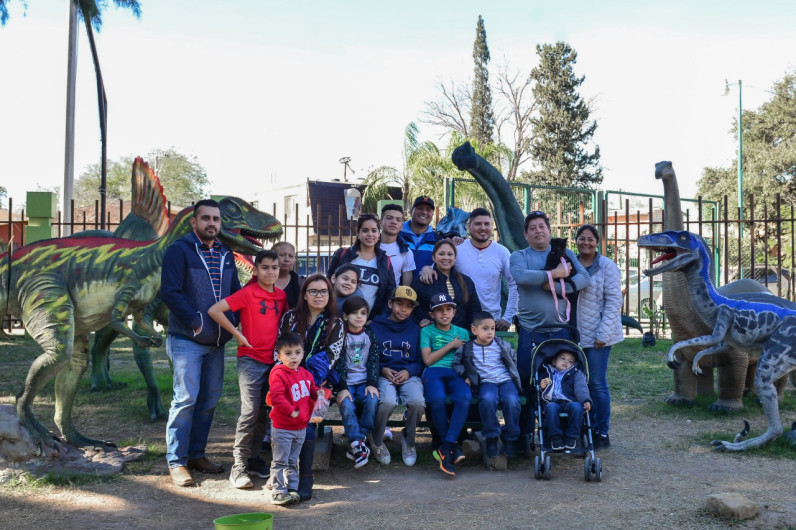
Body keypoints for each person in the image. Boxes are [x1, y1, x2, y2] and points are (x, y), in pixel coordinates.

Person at [160, 199, 242, 487]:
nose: (212, 224)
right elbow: (170, 292)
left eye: (216, 219)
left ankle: (196, 454)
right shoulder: (179, 250)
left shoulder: (226, 253)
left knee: (208, 401)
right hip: (187, 340)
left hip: (217, 342)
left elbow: (235, 294)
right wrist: (195, 322)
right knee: (186, 400)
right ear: (194, 222)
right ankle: (177, 461)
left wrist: (235, 321)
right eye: (206, 218)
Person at [509, 211, 590, 451]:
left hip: (560, 332)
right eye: (532, 228)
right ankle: (523, 437)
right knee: (528, 383)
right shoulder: (518, 256)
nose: (537, 231)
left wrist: (555, 285)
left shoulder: (565, 254)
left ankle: (567, 436)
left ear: (549, 229)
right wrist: (552, 274)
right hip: (530, 333)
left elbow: (585, 277)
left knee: (565, 383)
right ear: (526, 234)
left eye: (541, 227)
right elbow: (521, 276)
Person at [207, 249, 287, 489]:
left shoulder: (282, 297)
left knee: (264, 411)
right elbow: (215, 310)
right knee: (250, 411)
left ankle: (254, 459)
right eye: (265, 267)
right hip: (251, 360)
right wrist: (238, 334)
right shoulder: (248, 293)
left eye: (274, 268)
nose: (270, 272)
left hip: (273, 362)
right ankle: (238, 466)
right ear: (256, 270)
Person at [278, 273, 345, 501]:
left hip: (317, 384)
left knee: (305, 428)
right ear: (305, 295)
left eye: (323, 291)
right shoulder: (289, 318)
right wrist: (288, 377)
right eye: (313, 291)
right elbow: (280, 349)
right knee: (285, 427)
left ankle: (306, 478)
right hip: (287, 380)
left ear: (329, 294)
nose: (319, 295)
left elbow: (331, 356)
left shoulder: (336, 322)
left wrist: (307, 379)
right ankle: (282, 476)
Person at [419, 207, 517, 331]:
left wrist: (508, 317)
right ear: (469, 226)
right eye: (478, 224)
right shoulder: (458, 249)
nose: (483, 228)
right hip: (461, 320)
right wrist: (426, 268)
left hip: (491, 320)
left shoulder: (502, 252)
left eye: (487, 224)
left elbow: (514, 284)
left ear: (492, 226)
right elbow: (438, 268)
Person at [572, 224, 623, 450]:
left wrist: (603, 333)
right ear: (576, 241)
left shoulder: (606, 266)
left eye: (590, 239)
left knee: (597, 384)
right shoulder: (570, 264)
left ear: (597, 242)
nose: (586, 243)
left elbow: (614, 301)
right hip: (573, 335)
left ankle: (601, 431)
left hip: (597, 338)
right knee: (575, 384)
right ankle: (582, 428)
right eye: (581, 239)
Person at [368, 286, 426, 467]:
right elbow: (368, 358)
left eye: (408, 306)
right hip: (384, 374)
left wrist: (409, 371)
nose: (403, 309)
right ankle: (376, 440)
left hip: (408, 374)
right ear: (390, 304)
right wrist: (382, 369)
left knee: (417, 402)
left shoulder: (415, 329)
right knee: (387, 402)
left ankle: (408, 441)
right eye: (399, 304)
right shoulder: (375, 327)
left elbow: (420, 361)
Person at [452, 311, 522, 459]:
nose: (490, 332)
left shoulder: (501, 344)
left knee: (512, 401)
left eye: (492, 328)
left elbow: (513, 360)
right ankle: (492, 436)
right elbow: (456, 363)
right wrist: (466, 375)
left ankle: (509, 437)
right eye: (485, 329)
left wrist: (512, 374)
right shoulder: (468, 348)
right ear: (474, 330)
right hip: (485, 382)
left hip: (505, 380)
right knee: (487, 400)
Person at [266, 333, 325, 506]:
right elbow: (276, 397)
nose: (294, 357)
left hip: (301, 426)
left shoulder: (305, 373)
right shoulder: (278, 374)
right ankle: (278, 491)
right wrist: (291, 411)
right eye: (288, 353)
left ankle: (292, 488)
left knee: (293, 460)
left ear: (303, 353)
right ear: (279, 356)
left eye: (297, 352)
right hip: (283, 426)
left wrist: (318, 392)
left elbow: (310, 389)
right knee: (280, 460)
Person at [420, 293, 472, 476]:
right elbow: (427, 360)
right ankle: (450, 448)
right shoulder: (427, 331)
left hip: (456, 372)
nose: (444, 313)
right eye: (439, 310)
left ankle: (447, 446)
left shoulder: (463, 332)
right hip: (434, 371)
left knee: (465, 396)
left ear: (454, 312)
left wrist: (468, 375)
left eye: (448, 309)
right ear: (431, 314)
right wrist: (451, 345)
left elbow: (466, 359)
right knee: (437, 398)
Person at [332, 296, 380, 468]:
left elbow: (374, 360)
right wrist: (342, 387)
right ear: (345, 316)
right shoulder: (341, 335)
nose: (359, 317)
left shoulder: (369, 335)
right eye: (354, 313)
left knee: (372, 400)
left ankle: (361, 439)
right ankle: (357, 443)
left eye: (363, 313)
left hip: (365, 381)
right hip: (346, 383)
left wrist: (372, 383)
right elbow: (338, 362)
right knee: (346, 404)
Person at [327, 213, 396, 319]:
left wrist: (377, 320)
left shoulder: (384, 261)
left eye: (374, 230)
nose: (370, 234)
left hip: (369, 322)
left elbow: (390, 293)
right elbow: (328, 285)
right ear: (358, 233)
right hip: (338, 318)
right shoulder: (343, 254)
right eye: (365, 230)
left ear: (378, 233)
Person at [412, 239, 482, 330]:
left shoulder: (466, 281)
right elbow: (410, 306)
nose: (446, 257)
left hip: (461, 336)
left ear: (455, 257)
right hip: (432, 337)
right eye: (441, 254)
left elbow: (475, 310)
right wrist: (420, 320)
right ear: (433, 257)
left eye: (450, 254)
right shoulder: (423, 280)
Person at [538, 349, 592, 451]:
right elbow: (539, 393)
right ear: (554, 361)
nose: (566, 362)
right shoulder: (547, 373)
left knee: (577, 407)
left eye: (570, 361)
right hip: (552, 401)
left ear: (573, 365)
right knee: (551, 408)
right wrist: (542, 387)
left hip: (570, 401)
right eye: (562, 359)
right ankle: (555, 438)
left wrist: (585, 400)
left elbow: (581, 388)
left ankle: (572, 437)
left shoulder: (576, 374)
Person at [379, 203, 416, 285]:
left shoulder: (406, 252)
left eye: (398, 220)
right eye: (389, 218)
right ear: (380, 222)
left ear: (401, 226)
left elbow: (406, 288)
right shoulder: (368, 247)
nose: (393, 222)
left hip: (392, 296)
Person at [399, 196, 439, 271]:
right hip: (400, 283)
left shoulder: (439, 240)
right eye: (420, 208)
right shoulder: (397, 235)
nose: (424, 212)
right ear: (411, 211)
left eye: (428, 210)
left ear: (432, 215)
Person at [273, 241, 303, 308]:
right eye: (282, 255)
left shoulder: (300, 283)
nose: (287, 259)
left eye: (291, 256)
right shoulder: (261, 282)